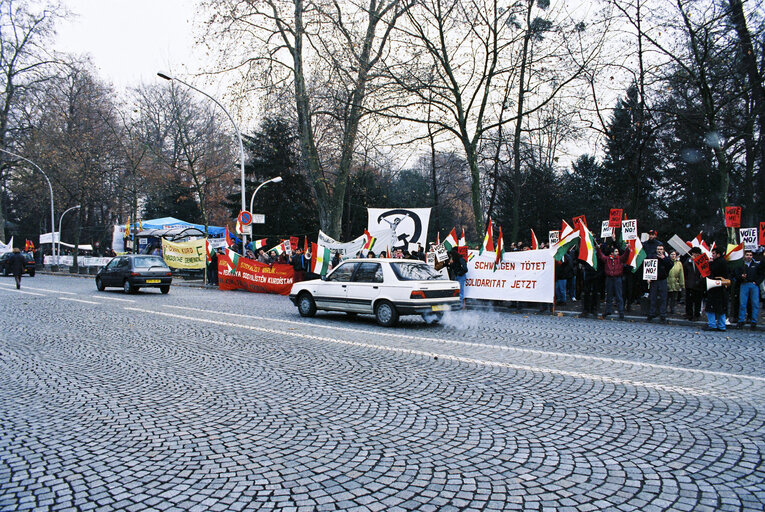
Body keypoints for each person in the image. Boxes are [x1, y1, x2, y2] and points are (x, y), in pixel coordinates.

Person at [596, 242, 630, 319]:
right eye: (615, 251)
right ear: (612, 252)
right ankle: (608, 310)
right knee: (609, 295)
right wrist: (598, 249)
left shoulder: (620, 259)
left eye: (617, 252)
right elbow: (601, 256)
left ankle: (621, 312)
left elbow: (625, 256)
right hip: (609, 278)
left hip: (617, 278)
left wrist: (627, 249)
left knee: (619, 295)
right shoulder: (607, 259)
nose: (617, 253)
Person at [735, 249, 762, 330]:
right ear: (744, 256)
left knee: (755, 304)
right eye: (747, 255)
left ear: (752, 256)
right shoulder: (741, 265)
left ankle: (754, 321)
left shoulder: (756, 265)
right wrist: (741, 277)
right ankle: (741, 320)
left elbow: (761, 274)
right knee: (743, 304)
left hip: (754, 285)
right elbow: (736, 275)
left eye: (750, 255)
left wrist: (757, 282)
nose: (749, 257)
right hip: (744, 284)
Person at [704, 246, 729, 331]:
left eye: (714, 253)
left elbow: (712, 270)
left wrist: (710, 263)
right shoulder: (723, 262)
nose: (712, 255)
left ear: (718, 254)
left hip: (715, 288)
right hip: (721, 288)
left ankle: (712, 325)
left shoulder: (717, 263)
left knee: (711, 308)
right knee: (720, 308)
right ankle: (722, 326)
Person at [647, 244, 673, 323]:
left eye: (661, 249)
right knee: (653, 297)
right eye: (658, 249)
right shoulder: (652, 257)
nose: (659, 250)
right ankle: (652, 313)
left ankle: (662, 314)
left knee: (663, 298)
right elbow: (648, 267)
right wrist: (648, 277)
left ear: (663, 250)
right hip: (654, 280)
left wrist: (664, 259)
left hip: (662, 280)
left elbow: (671, 265)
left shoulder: (666, 258)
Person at [682, 247, 704, 321]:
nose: (696, 255)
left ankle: (696, 315)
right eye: (695, 253)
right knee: (689, 300)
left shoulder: (702, 261)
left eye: (698, 254)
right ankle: (689, 314)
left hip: (699, 284)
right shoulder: (688, 261)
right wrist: (690, 260)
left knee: (697, 301)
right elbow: (684, 268)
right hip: (690, 284)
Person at [666, 250, 685, 315]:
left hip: (675, 283)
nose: (673, 256)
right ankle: (665, 309)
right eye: (672, 254)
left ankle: (672, 308)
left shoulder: (679, 263)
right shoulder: (666, 262)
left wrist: (682, 284)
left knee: (674, 298)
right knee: (666, 297)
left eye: (674, 254)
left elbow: (681, 274)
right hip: (667, 282)